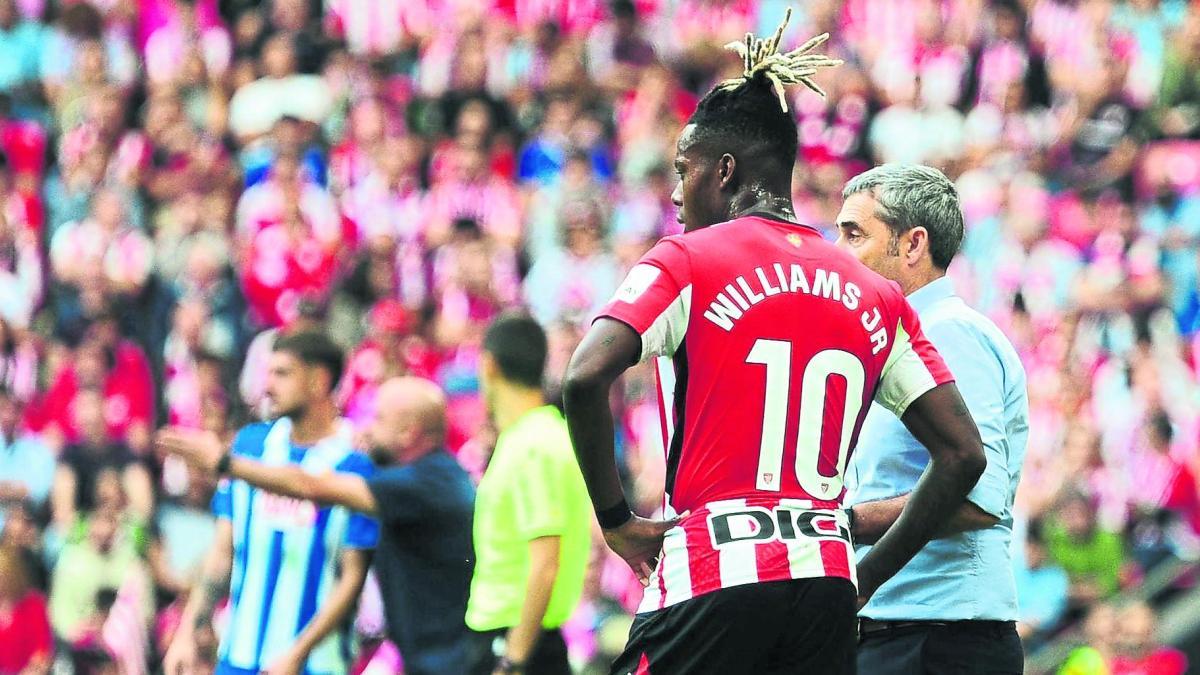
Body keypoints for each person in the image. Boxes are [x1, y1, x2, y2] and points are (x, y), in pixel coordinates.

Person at [562, 13, 986, 674]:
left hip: (714, 569)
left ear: (724, 170)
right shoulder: (876, 293)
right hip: (825, 585)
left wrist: (617, 521)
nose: (675, 193)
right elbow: (963, 454)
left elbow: (585, 375)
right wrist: (867, 573)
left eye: (684, 169)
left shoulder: (685, 260)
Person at [835, 163, 1029, 673]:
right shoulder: (889, 342)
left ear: (913, 244)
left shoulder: (950, 334)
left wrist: (846, 524)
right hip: (892, 630)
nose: (837, 252)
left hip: (943, 637)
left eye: (854, 234)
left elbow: (977, 498)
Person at [159, 376, 476, 675]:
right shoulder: (432, 476)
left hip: (447, 660)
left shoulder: (426, 484)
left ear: (408, 433)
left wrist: (224, 463)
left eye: (379, 420)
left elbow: (312, 487)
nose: (367, 430)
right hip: (432, 655)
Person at [159, 332, 378, 675]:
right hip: (240, 657)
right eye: (268, 373)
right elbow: (222, 553)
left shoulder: (355, 462)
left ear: (319, 381)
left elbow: (352, 577)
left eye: (282, 374)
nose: (268, 386)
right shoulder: (250, 446)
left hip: (315, 666)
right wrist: (187, 631)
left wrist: (297, 654)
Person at [465, 313, 593, 675]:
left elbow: (545, 562)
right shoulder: (533, 436)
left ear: (488, 365)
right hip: (519, 637)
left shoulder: (533, 444)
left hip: (518, 640)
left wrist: (513, 660)